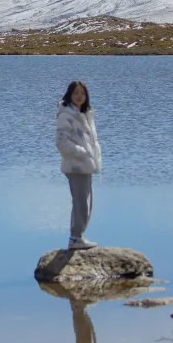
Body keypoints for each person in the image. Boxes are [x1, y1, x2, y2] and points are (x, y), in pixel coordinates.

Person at [55, 80, 103, 250]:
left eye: (82, 93)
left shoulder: (85, 114)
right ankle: (75, 238)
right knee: (81, 203)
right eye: (76, 93)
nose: (79, 96)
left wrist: (90, 156)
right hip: (76, 166)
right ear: (69, 95)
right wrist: (81, 153)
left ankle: (78, 237)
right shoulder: (66, 115)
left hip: (86, 165)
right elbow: (61, 142)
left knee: (87, 203)